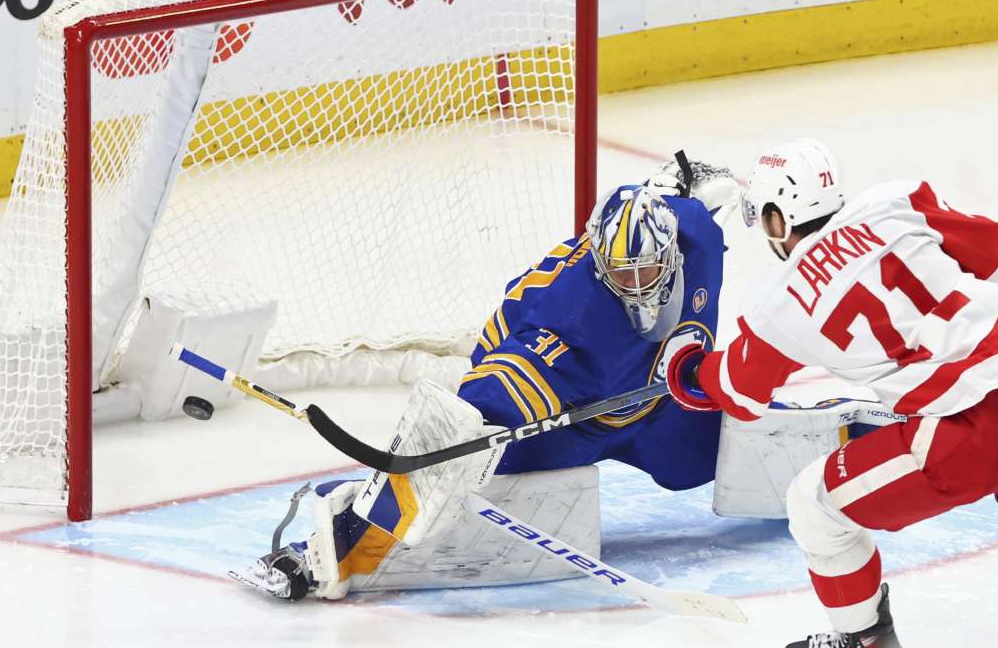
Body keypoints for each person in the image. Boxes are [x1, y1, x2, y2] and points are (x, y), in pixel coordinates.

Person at [233, 158, 873, 602]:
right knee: (469, 469)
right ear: (600, 261)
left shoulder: (696, 238)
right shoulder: (570, 315)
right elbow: (480, 401)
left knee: (712, 456)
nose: (637, 289)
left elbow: (692, 189)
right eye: (621, 275)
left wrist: (681, 177)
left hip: (657, 412)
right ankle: (337, 537)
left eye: (649, 272)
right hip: (574, 412)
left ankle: (852, 428)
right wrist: (450, 443)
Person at [666, 139, 998, 648]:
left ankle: (862, 639)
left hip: (973, 428)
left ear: (778, 219)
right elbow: (995, 255)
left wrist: (683, 366)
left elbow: (738, 392)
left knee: (814, 504)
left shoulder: (782, 304)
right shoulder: (895, 202)